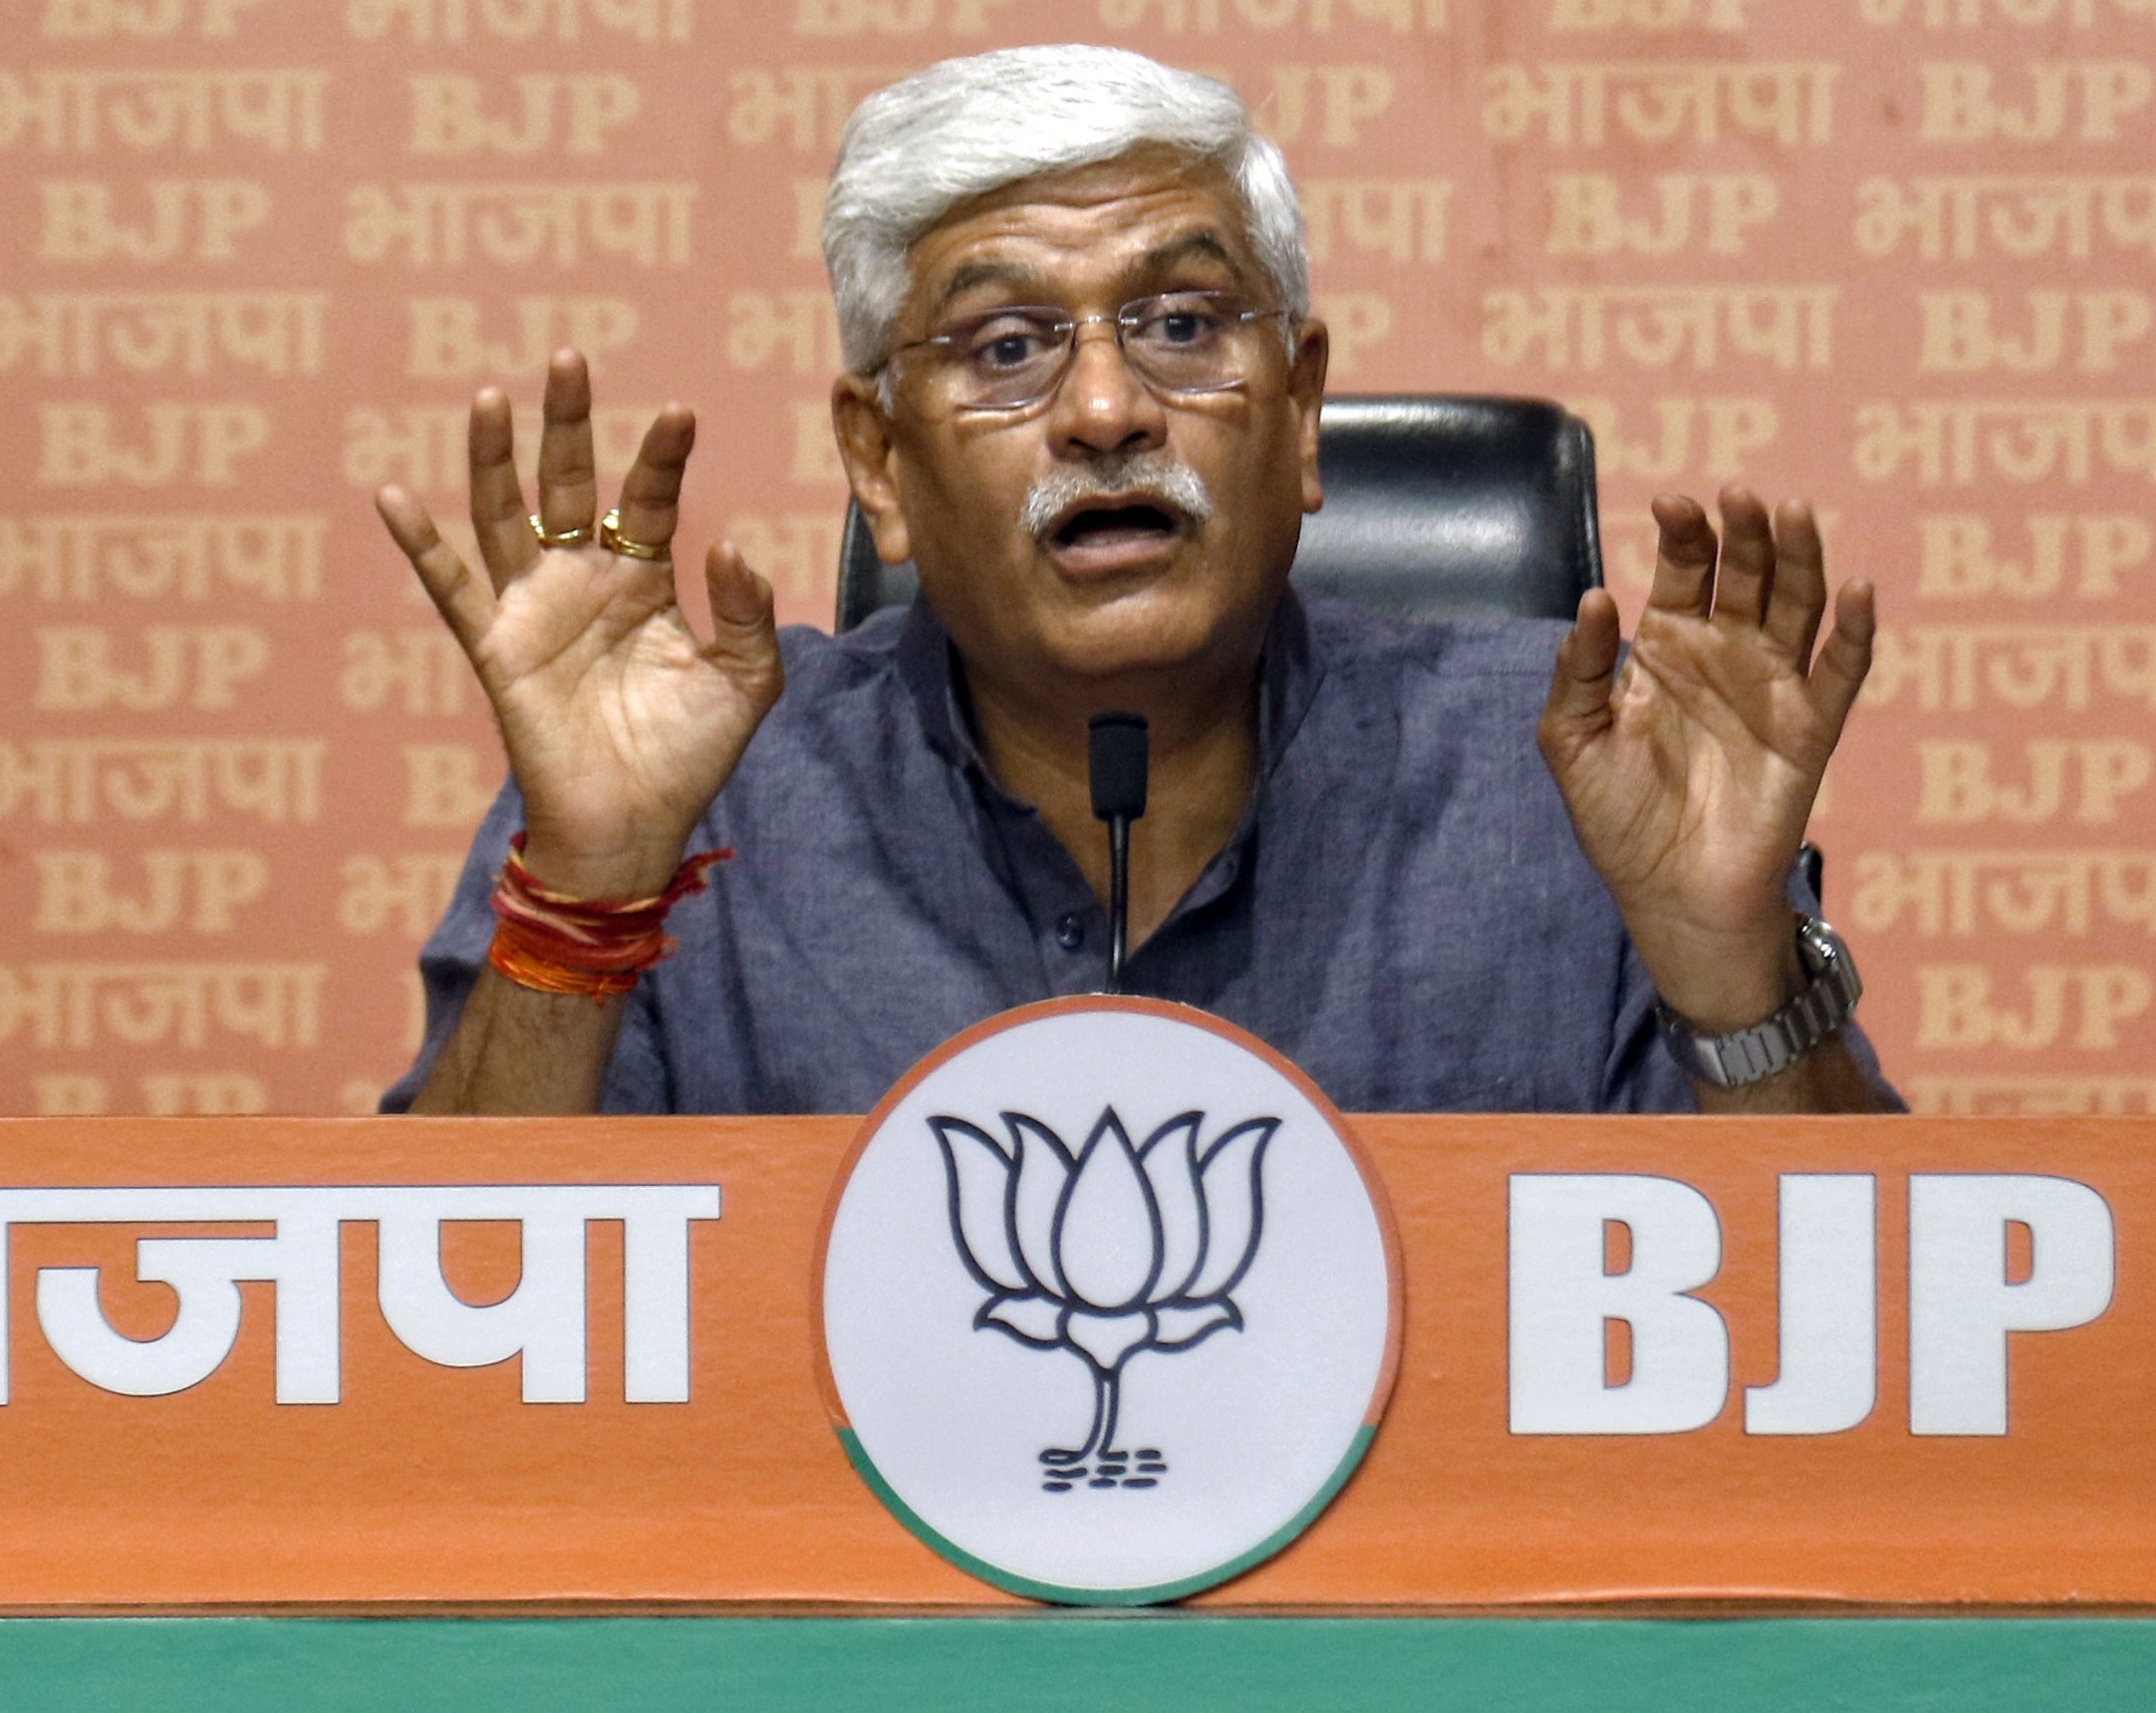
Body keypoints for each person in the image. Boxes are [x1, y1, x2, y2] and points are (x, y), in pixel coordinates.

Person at [374, 44, 1894, 1118]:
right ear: (879, 461)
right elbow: (447, 1350)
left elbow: (1855, 1362)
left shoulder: (1575, 782)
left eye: (1181, 324)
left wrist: (1731, 969)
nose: (1106, 411)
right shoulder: (702, 798)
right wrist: (584, 899)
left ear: (1301, 412)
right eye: (1007, 347)